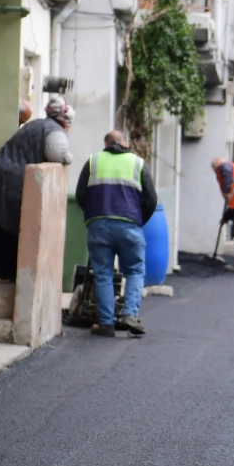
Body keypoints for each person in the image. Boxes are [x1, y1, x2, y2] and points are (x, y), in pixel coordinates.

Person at [0, 94, 74, 279]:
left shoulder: (36, 124)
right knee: (13, 228)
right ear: (66, 122)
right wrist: (69, 158)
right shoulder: (56, 131)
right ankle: (3, 274)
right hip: (10, 179)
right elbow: (57, 153)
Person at [75, 128, 157, 337]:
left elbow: (80, 194)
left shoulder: (93, 161)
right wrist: (138, 221)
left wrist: (94, 216)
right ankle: (129, 314)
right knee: (135, 271)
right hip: (129, 225)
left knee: (103, 274)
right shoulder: (138, 163)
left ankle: (106, 324)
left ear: (106, 145)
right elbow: (150, 199)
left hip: (98, 225)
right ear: (125, 143)